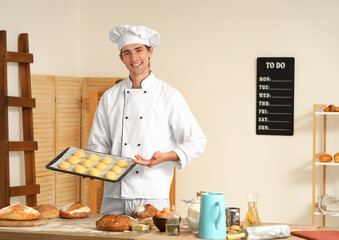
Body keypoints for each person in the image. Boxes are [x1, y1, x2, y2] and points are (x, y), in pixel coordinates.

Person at [88, 24, 206, 215]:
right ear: (121, 58)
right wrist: (92, 167)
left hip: (153, 193)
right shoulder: (110, 97)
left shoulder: (169, 95)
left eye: (139, 50)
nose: (134, 58)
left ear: (150, 51)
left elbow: (197, 141)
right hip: (113, 193)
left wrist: (165, 157)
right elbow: (97, 144)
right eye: (127, 52)